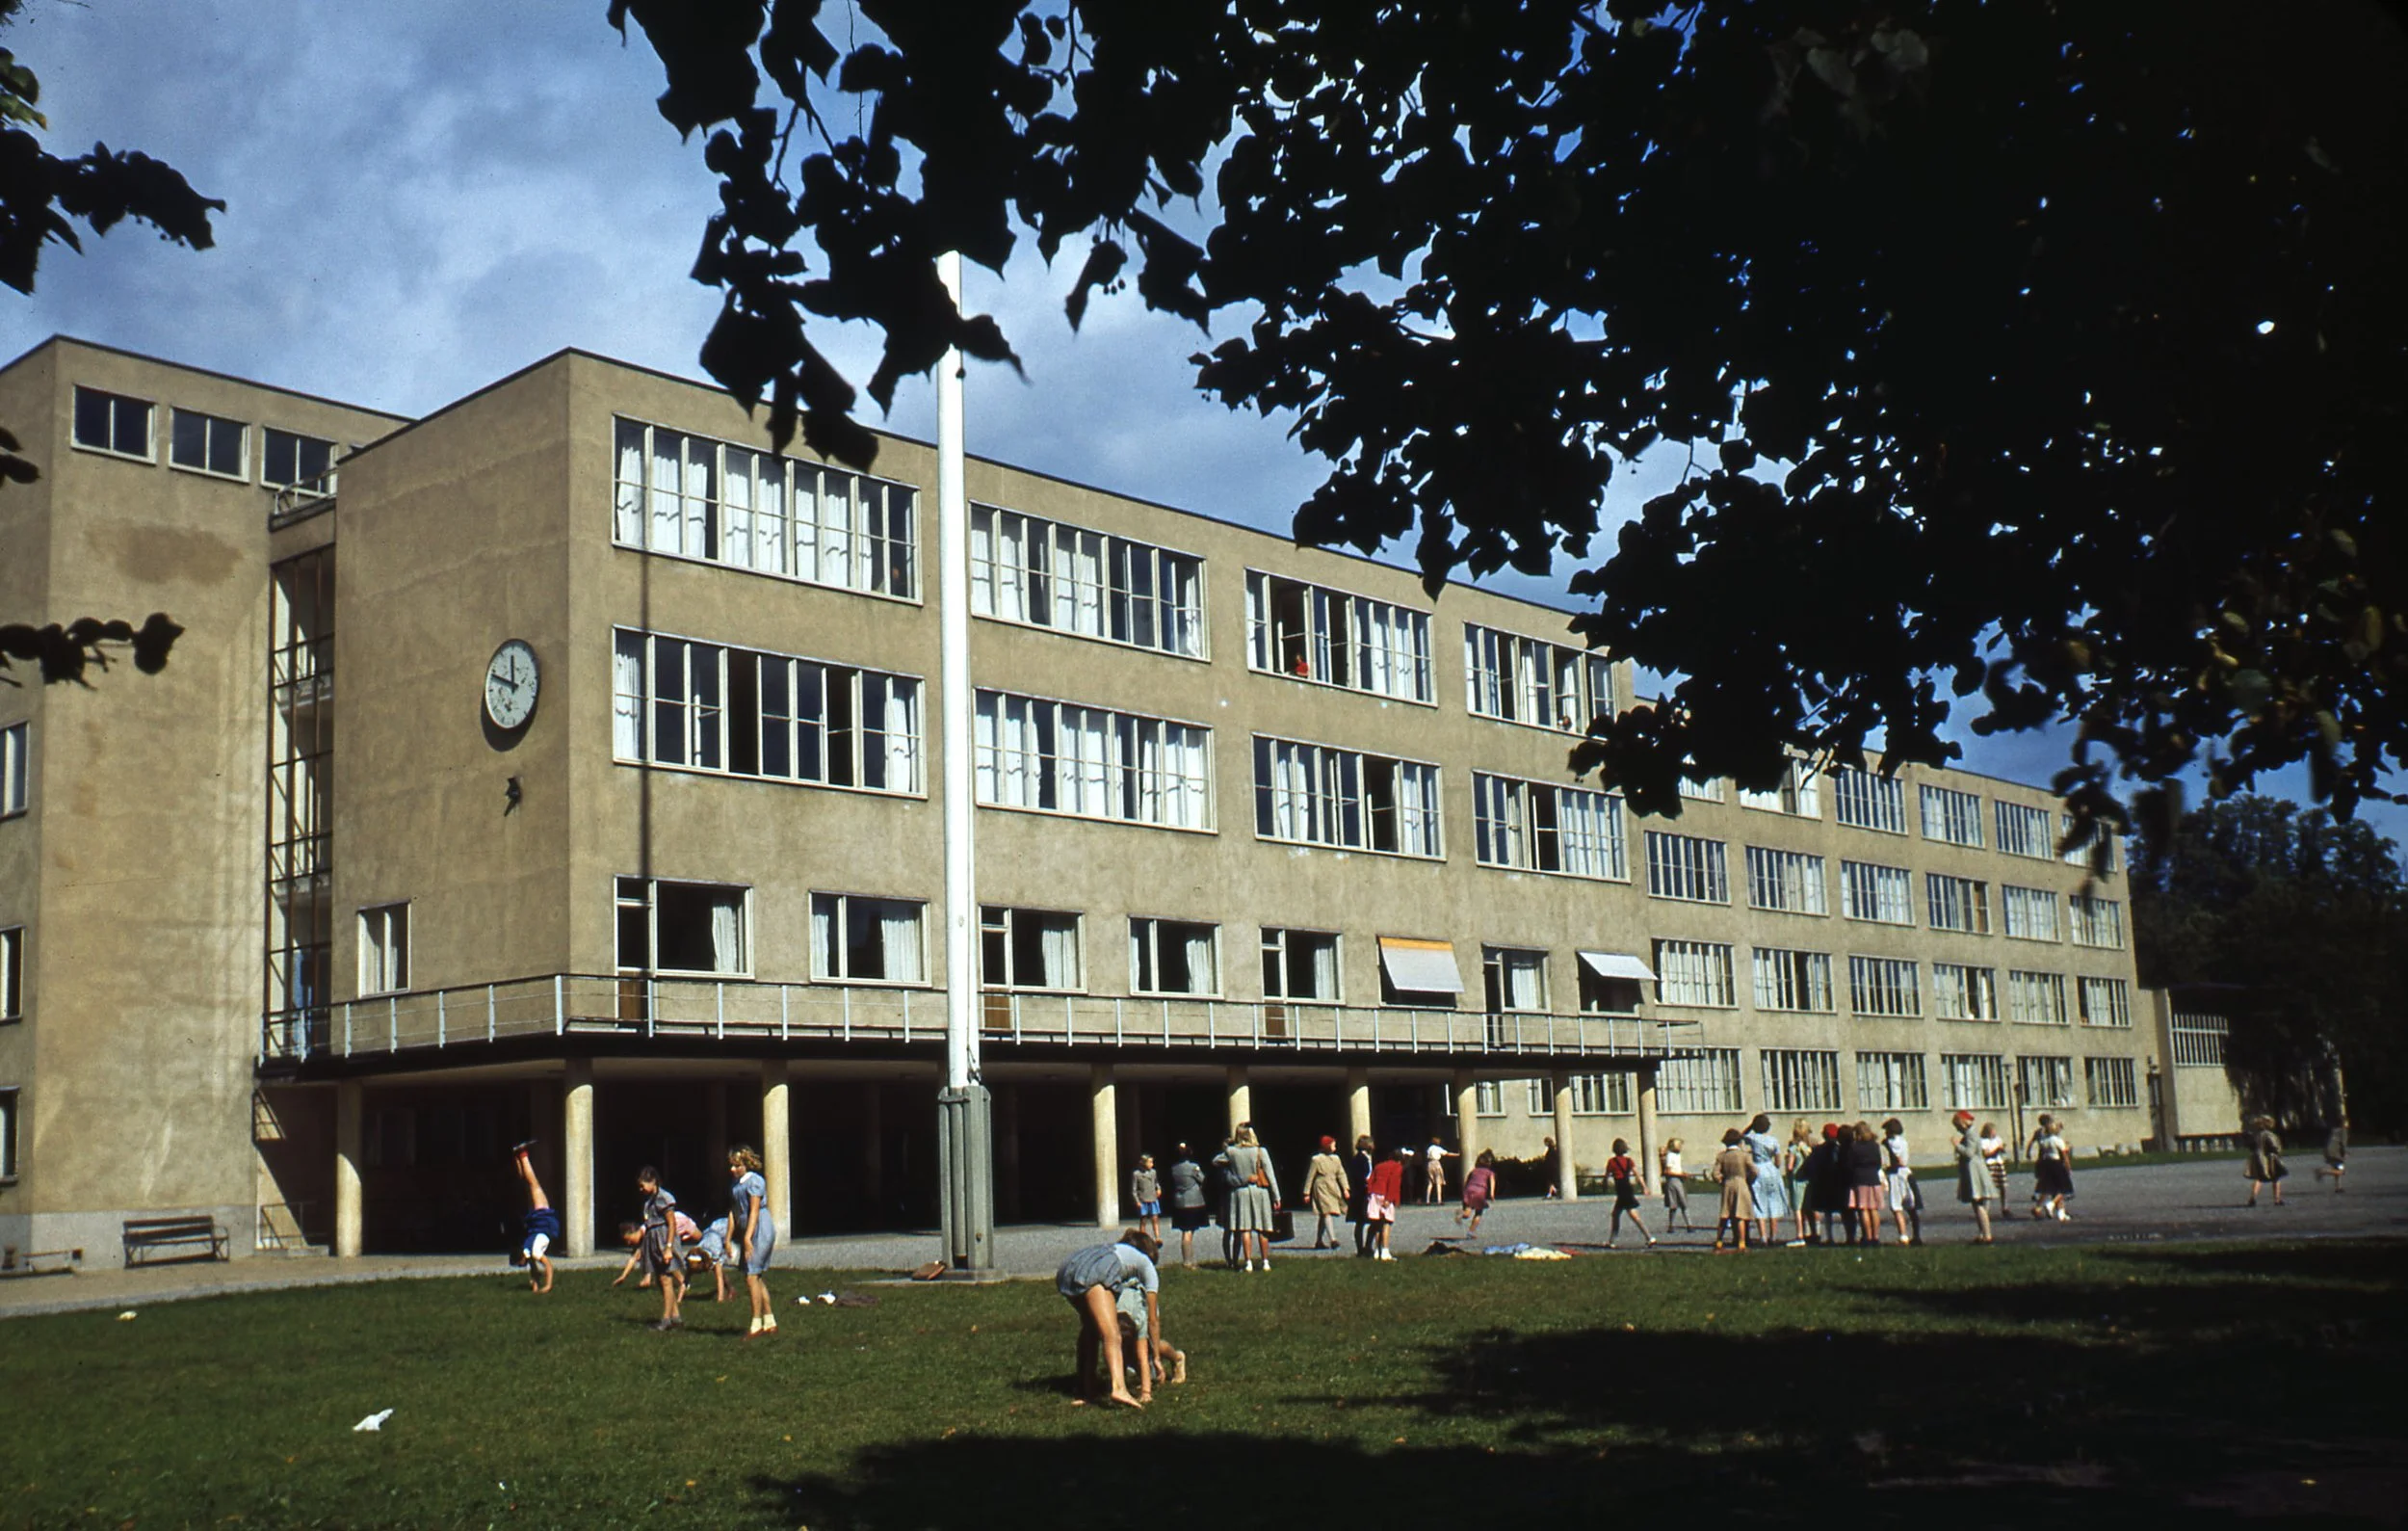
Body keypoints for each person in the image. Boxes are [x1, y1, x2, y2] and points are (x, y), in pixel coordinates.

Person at [1056, 1229, 1159, 1411]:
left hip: (1067, 1269)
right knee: (1112, 1334)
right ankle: (1119, 1387)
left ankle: (1085, 1390)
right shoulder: (1146, 1264)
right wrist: (1156, 1356)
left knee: (1090, 1331)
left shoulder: (1112, 1248)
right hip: (1096, 1270)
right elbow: (1152, 1320)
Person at [726, 1145, 777, 1339]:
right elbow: (734, 1211)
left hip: (760, 1229)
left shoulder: (755, 1182)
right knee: (755, 1276)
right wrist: (729, 1238)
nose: (732, 1169)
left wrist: (748, 1237)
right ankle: (770, 1320)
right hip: (746, 1228)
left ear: (746, 1164)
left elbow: (754, 1210)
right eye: (731, 1166)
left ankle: (756, 1322)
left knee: (751, 1276)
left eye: (736, 1165)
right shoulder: (735, 1185)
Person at [1224, 1123, 1282, 1272]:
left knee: (1245, 1228)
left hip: (1240, 1192)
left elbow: (1216, 1160)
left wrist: (1230, 1144)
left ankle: (1248, 1261)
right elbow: (1270, 1174)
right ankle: (1265, 1261)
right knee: (1262, 1227)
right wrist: (1277, 1196)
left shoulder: (1231, 1152)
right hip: (1259, 1191)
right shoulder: (1260, 1151)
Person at [634, 1167, 686, 1330]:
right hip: (653, 1239)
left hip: (664, 1239)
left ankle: (666, 1319)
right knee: (660, 1279)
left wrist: (668, 1247)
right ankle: (675, 1316)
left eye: (643, 1185)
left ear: (653, 1181)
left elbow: (671, 1223)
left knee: (666, 1279)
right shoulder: (649, 1201)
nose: (641, 1189)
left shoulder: (664, 1198)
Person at [510, 1141, 560, 1294]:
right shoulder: (528, 1251)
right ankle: (519, 1156)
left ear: (522, 1258)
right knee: (528, 1184)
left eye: (520, 1264)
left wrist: (547, 1286)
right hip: (536, 1220)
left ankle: (523, 1155)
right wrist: (535, 1287)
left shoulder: (534, 1251)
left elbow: (548, 1266)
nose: (522, 1266)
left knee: (533, 1184)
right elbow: (534, 1271)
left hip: (542, 1217)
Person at [1741, 1113, 1791, 1247]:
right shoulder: (1773, 1140)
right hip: (1771, 1169)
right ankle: (1773, 1236)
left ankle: (1763, 1236)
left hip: (1758, 1168)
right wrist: (1774, 1168)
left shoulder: (1752, 1138)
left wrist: (1750, 1126)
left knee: (1759, 1202)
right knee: (1773, 1201)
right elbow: (1778, 1160)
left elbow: (1742, 1135)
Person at [1604, 1139, 1656, 1249]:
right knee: (1618, 1214)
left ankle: (1649, 1237)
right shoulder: (1629, 1161)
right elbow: (1637, 1174)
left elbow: (1607, 1175)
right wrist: (1644, 1187)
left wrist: (1604, 1185)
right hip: (1628, 1187)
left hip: (1621, 1189)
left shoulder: (1612, 1162)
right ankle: (1612, 1240)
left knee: (1628, 1215)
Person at [1165, 1143, 1210, 1268]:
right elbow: (1202, 1179)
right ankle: (1188, 1261)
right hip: (1193, 1201)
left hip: (1179, 1201)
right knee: (1189, 1232)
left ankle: (1188, 1259)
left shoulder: (1174, 1168)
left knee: (1185, 1230)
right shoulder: (1193, 1167)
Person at [1951, 1111, 1994, 1243]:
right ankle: (1983, 1233)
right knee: (1979, 1204)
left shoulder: (1971, 1135)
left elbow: (1969, 1153)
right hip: (1975, 1169)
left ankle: (1986, 1235)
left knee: (1978, 1203)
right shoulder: (1972, 1133)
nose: (1957, 1129)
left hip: (1974, 1171)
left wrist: (1957, 1145)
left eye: (1957, 1126)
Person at [1302, 1136, 1349, 1249]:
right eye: (1333, 1145)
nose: (1335, 1147)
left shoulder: (1336, 1159)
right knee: (1326, 1211)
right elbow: (1310, 1176)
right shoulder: (1316, 1160)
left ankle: (1319, 1241)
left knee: (1323, 1215)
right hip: (1321, 1187)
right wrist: (1306, 1192)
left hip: (1333, 1186)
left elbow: (1341, 1174)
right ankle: (1333, 1239)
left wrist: (1345, 1188)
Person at [1881, 1118, 1921, 1246]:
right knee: (1911, 1206)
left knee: (1896, 1206)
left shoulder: (1892, 1143)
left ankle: (1903, 1236)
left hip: (1896, 1174)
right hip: (1907, 1173)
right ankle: (1916, 1235)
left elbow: (1897, 1159)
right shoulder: (1904, 1141)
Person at [1845, 1122, 1886, 1246]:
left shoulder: (1854, 1147)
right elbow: (1878, 1163)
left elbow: (1850, 1164)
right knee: (1874, 1209)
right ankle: (1876, 1237)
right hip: (1873, 1177)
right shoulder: (1875, 1146)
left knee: (1863, 1209)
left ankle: (1867, 1237)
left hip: (1860, 1178)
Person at [1714, 1128, 1754, 1252]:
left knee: (1725, 1214)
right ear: (1739, 1142)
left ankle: (1719, 1241)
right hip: (1741, 1183)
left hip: (1728, 1184)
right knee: (1740, 1214)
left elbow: (1715, 1173)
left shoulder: (1721, 1156)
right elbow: (1754, 1170)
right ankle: (1742, 1242)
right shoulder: (1745, 1156)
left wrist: (1721, 1181)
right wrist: (1749, 1179)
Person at [1364, 1145, 1407, 1260]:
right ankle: (1385, 1251)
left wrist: (1370, 1194)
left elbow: (1370, 1180)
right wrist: (1389, 1199)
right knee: (1387, 1223)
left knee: (1377, 1224)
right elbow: (1394, 1183)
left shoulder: (1378, 1166)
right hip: (1385, 1194)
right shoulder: (1397, 1167)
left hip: (1374, 1194)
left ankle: (1377, 1251)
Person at [2029, 1114, 2076, 1221]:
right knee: (2063, 1189)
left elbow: (2041, 1153)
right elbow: (2064, 1155)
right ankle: (2050, 1204)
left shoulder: (2044, 1140)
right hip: (2057, 1164)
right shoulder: (2058, 1140)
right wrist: (2068, 1167)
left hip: (2046, 1164)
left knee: (2050, 1189)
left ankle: (2061, 1214)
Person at [1785, 1121, 1816, 1245]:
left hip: (1797, 1180)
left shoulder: (1794, 1149)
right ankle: (1814, 1232)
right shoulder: (1810, 1148)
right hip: (1808, 1179)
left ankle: (1800, 1234)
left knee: (1797, 1208)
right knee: (1809, 1208)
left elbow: (1790, 1167)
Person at [2245, 1116, 2288, 1207]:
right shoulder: (2269, 1135)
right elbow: (2274, 1146)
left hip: (2258, 1157)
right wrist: (2278, 1151)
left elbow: (2251, 1146)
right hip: (2270, 1158)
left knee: (2259, 1179)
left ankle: (2253, 1197)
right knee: (2276, 1177)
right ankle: (2277, 1199)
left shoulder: (2256, 1135)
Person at [1348, 1135, 1378, 1255]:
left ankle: (1367, 1246)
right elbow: (1358, 1176)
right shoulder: (1359, 1159)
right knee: (1360, 1222)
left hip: (1367, 1193)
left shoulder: (1368, 1158)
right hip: (1361, 1193)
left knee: (1370, 1221)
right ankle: (1361, 1248)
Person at [1458, 1148, 1500, 1237]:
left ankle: (1463, 1214)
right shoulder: (1490, 1173)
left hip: (1469, 1189)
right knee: (1478, 1213)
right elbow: (1492, 1182)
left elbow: (1467, 1181)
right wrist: (1492, 1194)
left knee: (1468, 1209)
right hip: (1480, 1191)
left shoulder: (1474, 1171)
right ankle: (1470, 1232)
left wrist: (1464, 1191)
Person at [1659, 1137, 1693, 1231]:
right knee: (1674, 1204)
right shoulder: (1670, 1156)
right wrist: (1681, 1174)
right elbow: (1668, 1171)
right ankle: (1672, 1225)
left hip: (1679, 1179)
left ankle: (1689, 1225)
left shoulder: (1677, 1156)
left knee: (1683, 1203)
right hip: (1673, 1180)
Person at [1131, 1154, 1163, 1246]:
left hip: (1152, 1198)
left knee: (1155, 1219)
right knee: (1143, 1220)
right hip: (1143, 1199)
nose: (1151, 1164)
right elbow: (1134, 1189)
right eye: (1150, 1162)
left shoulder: (1153, 1172)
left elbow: (1156, 1183)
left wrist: (1158, 1189)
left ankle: (1157, 1237)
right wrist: (1136, 1201)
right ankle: (1142, 1238)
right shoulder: (1136, 1174)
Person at [1980, 1122, 2010, 1205]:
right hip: (1990, 1164)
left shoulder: (1997, 1139)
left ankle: (2005, 1207)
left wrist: (2002, 1149)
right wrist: (1996, 1150)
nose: (1994, 1133)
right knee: (1988, 1188)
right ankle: (1985, 1208)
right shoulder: (1983, 1141)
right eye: (1993, 1131)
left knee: (2003, 1186)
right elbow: (1986, 1154)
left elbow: (2002, 1150)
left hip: (1998, 1163)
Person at [2317, 1121, 2349, 1192]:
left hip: (2327, 1150)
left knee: (2336, 1168)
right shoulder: (2343, 1131)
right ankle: (2322, 1171)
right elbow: (2343, 1144)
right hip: (2335, 1153)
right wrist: (2344, 1153)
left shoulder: (2334, 1130)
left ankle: (2338, 1187)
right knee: (2341, 1171)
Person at [1423, 1139, 1453, 1204]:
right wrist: (1457, 1155)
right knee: (1438, 1182)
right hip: (1436, 1163)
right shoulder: (1438, 1148)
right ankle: (1439, 1200)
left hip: (1429, 1164)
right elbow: (1446, 1153)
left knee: (1430, 1183)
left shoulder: (1429, 1148)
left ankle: (1427, 1200)